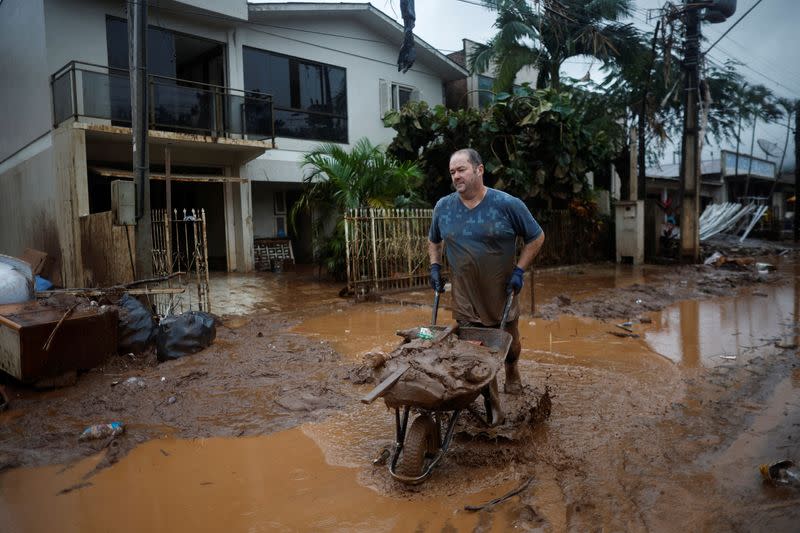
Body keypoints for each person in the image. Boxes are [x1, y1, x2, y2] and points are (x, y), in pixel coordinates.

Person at [428, 148, 544, 409]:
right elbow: (433, 240)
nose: (456, 176)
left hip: (502, 291)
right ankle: (491, 400)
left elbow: (536, 237)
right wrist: (434, 267)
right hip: (464, 295)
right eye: (452, 172)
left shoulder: (507, 205)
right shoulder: (443, 207)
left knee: (509, 344)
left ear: (479, 170)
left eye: (461, 170)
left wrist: (519, 270)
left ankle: (512, 373)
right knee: (475, 349)